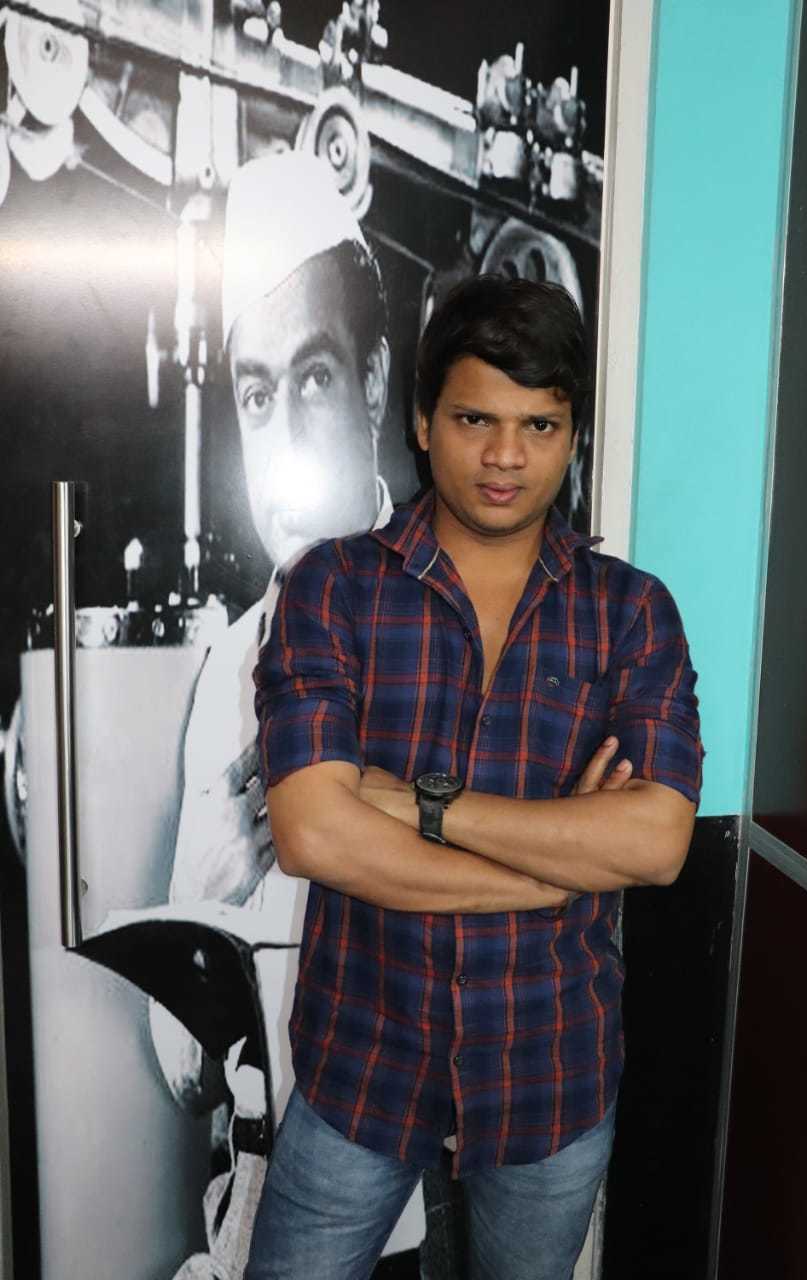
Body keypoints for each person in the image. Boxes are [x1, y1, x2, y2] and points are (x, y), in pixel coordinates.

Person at [247, 274, 703, 1280]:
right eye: (474, 419)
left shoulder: (631, 612)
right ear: (421, 420)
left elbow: (656, 841)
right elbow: (314, 834)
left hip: (549, 1073)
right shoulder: (332, 587)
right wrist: (554, 872)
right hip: (361, 1062)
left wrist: (420, 802)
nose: (506, 455)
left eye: (539, 424)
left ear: (572, 435)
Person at [150, 149, 413, 1279]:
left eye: (314, 377)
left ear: (372, 384)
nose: (285, 440)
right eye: (259, 394)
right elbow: (181, 1074)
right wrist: (205, 896)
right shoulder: (226, 674)